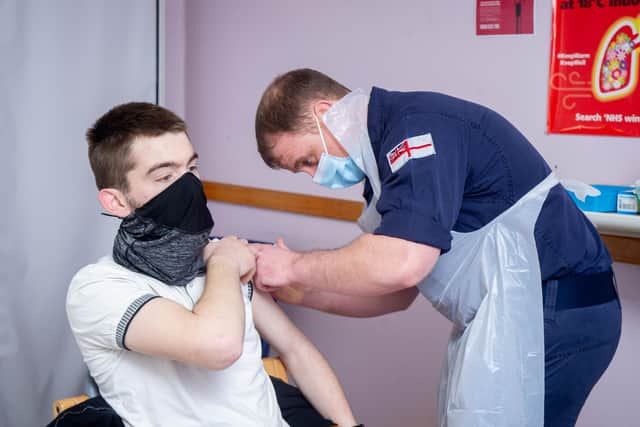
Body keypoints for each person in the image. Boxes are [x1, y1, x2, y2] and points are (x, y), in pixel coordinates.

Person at [252, 68, 622, 427]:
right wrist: (297, 291)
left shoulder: (415, 131)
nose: (315, 176)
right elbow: (393, 293)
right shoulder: (383, 173)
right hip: (515, 312)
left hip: (558, 308)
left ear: (323, 112)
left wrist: (292, 266)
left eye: (308, 160)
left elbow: (403, 264)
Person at [65, 102, 360, 427]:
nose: (188, 185)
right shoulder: (97, 288)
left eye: (191, 169)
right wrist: (222, 262)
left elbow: (294, 349)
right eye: (165, 176)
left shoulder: (222, 255)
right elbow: (218, 346)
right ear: (116, 202)